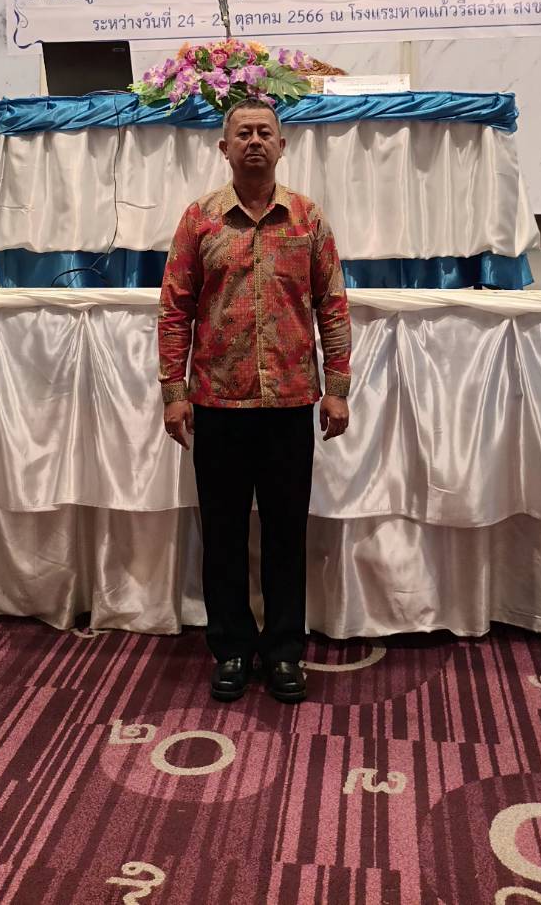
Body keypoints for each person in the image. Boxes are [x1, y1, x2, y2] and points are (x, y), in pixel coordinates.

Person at [157, 98, 352, 703]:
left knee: (287, 533)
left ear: (282, 145)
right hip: (218, 404)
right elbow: (174, 309)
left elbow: (333, 307)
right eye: (242, 133)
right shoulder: (200, 220)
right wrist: (173, 393)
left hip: (291, 404)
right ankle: (232, 649)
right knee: (221, 534)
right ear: (224, 148)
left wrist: (338, 389)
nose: (255, 142)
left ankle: (285, 651)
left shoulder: (308, 219)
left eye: (265, 132)